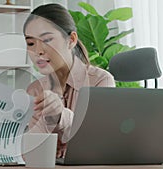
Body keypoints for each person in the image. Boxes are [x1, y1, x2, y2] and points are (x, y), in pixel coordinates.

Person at [23, 3, 115, 158]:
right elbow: (29, 154)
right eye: (31, 43)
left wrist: (61, 115)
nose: (37, 51)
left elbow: (98, 142)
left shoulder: (100, 81)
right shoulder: (35, 90)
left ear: (71, 40)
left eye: (46, 40)